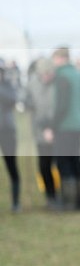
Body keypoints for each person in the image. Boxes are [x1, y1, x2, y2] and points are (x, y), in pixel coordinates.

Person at [46, 48, 80, 211]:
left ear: (59, 58)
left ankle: (69, 202)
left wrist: (52, 126)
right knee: (76, 161)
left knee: (64, 163)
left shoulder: (61, 77)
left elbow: (61, 105)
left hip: (65, 126)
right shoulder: (79, 75)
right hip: (78, 124)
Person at [26, 58, 59, 209]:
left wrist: (50, 127)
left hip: (56, 130)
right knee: (44, 165)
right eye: (44, 74)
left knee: (60, 163)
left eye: (49, 74)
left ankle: (64, 194)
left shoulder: (58, 84)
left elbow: (59, 107)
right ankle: (50, 196)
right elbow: (26, 99)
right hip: (40, 131)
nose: (47, 77)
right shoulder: (32, 83)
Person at [0, 60, 21, 212]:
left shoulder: (7, 86)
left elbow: (13, 100)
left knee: (11, 166)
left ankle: (15, 202)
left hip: (7, 131)